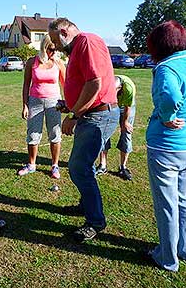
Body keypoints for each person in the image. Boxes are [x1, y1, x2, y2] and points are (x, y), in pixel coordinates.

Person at [145, 20, 186, 271]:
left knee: (167, 203)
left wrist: (167, 117)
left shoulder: (166, 68)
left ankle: (167, 257)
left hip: (167, 147)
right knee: (184, 197)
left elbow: (171, 97)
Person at [48, 18, 120, 242]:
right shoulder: (79, 46)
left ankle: (95, 221)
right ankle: (85, 206)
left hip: (98, 115)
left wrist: (74, 115)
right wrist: (69, 104)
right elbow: (85, 84)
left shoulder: (86, 42)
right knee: (83, 166)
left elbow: (94, 84)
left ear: (63, 31)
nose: (55, 47)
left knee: (79, 167)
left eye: (54, 41)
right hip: (92, 113)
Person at [18, 35, 66, 179]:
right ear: (44, 48)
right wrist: (25, 105)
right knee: (33, 134)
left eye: (56, 49)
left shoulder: (58, 63)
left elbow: (66, 85)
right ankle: (31, 164)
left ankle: (55, 165)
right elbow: (26, 85)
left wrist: (68, 104)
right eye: (51, 49)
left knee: (55, 133)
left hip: (54, 103)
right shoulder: (32, 62)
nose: (54, 52)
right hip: (35, 102)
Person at [96, 75, 136, 180]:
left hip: (126, 106)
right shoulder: (107, 83)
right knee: (104, 132)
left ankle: (123, 167)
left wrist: (125, 122)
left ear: (119, 88)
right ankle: (102, 165)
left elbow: (128, 107)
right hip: (111, 105)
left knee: (126, 133)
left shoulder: (129, 88)